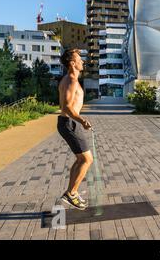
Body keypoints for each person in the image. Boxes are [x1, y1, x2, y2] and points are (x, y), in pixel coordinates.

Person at [57, 49, 93, 210]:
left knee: (81, 159)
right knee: (86, 160)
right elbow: (67, 107)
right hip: (69, 123)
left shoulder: (70, 79)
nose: (82, 62)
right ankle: (71, 193)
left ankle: (71, 192)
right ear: (72, 63)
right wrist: (82, 121)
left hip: (70, 122)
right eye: (79, 59)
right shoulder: (71, 80)